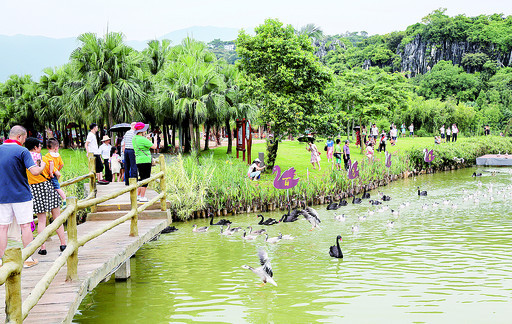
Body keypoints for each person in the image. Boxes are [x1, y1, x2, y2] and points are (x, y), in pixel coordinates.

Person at [0, 127, 47, 268]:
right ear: (19, 137)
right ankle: (28, 259)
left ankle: (1, 260)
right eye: (24, 138)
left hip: (2, 196)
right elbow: (35, 171)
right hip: (21, 195)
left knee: (2, 227)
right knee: (26, 226)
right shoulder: (22, 151)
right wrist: (43, 166)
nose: (25, 141)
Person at [26, 138, 67, 256]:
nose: (40, 147)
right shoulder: (44, 159)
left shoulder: (25, 161)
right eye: (39, 146)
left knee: (41, 220)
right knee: (57, 217)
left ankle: (43, 248)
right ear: (35, 147)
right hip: (48, 188)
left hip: (34, 190)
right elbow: (57, 173)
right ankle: (63, 244)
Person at [132, 122, 157, 202]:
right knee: (146, 179)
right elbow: (154, 147)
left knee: (141, 178)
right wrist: (155, 139)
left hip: (139, 160)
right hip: (145, 160)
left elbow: (142, 143)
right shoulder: (143, 139)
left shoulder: (135, 138)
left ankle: (138, 196)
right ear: (142, 131)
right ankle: (142, 196)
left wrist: (146, 138)